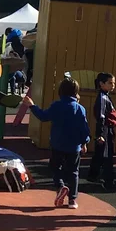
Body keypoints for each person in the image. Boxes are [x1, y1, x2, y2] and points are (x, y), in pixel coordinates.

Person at [22, 75, 90, 209]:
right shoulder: (80, 108)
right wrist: (84, 142)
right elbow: (84, 128)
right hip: (74, 146)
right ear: (76, 92)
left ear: (60, 91)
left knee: (55, 167)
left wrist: (32, 106)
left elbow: (43, 116)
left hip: (58, 144)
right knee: (73, 172)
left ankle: (60, 186)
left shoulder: (57, 105)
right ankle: (72, 200)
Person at [87, 72, 116, 189]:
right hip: (105, 129)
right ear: (101, 84)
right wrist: (100, 134)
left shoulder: (105, 96)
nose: (112, 85)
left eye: (113, 83)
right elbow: (101, 116)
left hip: (106, 128)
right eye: (110, 83)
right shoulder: (102, 98)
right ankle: (108, 180)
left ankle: (92, 176)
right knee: (107, 155)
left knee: (100, 153)